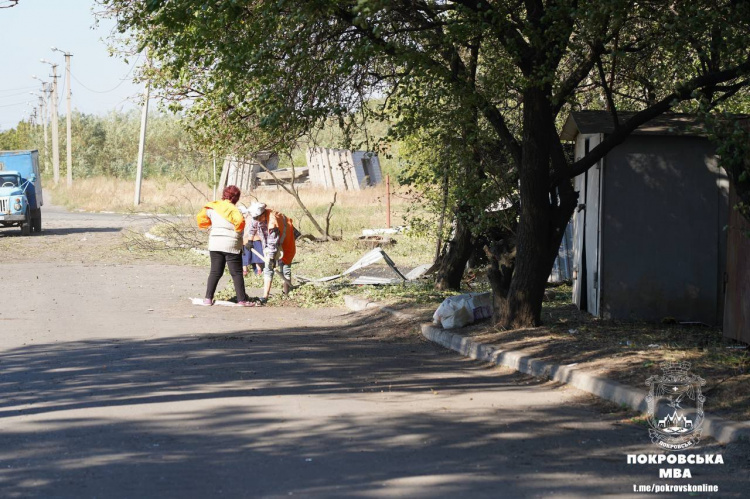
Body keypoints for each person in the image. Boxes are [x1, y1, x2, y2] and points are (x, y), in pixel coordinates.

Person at [196, 186, 255, 307]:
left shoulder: (212, 206)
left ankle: (208, 299)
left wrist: (209, 226)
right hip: (231, 244)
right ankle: (242, 300)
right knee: (236, 273)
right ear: (236, 197)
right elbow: (240, 223)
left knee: (215, 271)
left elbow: (201, 218)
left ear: (224, 194)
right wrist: (238, 233)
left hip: (215, 242)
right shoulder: (234, 209)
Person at [245, 202, 297, 304]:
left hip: (286, 240)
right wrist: (250, 241)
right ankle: (265, 296)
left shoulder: (273, 223)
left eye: (258, 218)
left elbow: (272, 242)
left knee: (285, 265)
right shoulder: (257, 217)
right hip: (271, 242)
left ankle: (286, 292)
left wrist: (272, 258)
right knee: (268, 269)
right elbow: (252, 228)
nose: (256, 220)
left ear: (263, 214)